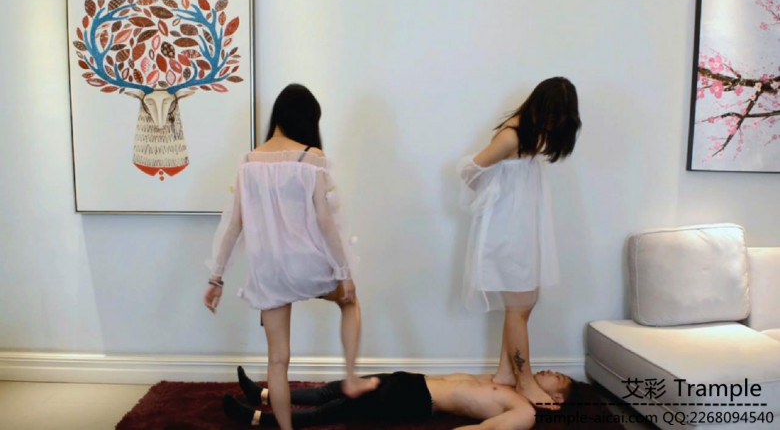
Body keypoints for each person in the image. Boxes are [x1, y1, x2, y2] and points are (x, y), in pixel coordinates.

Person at [203, 83, 379, 430]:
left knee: (278, 361)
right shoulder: (310, 158)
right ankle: (350, 377)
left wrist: (216, 278)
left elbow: (233, 225)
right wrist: (344, 272)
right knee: (350, 302)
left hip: (268, 272)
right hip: (307, 264)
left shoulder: (247, 162)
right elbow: (326, 223)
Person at [457, 77, 581, 410]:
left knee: (525, 304)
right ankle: (525, 381)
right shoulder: (512, 135)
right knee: (519, 307)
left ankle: (504, 374)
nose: (555, 124)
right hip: (507, 234)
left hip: (522, 231)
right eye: (554, 116)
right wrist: (495, 192)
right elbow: (469, 170)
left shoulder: (533, 134)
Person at [223, 366, 580, 429]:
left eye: (558, 377)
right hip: (411, 381)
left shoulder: (524, 410)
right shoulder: (512, 380)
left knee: (333, 410)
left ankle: (255, 419)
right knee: (335, 388)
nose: (550, 370)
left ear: (555, 400)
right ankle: (262, 394)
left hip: (416, 401)